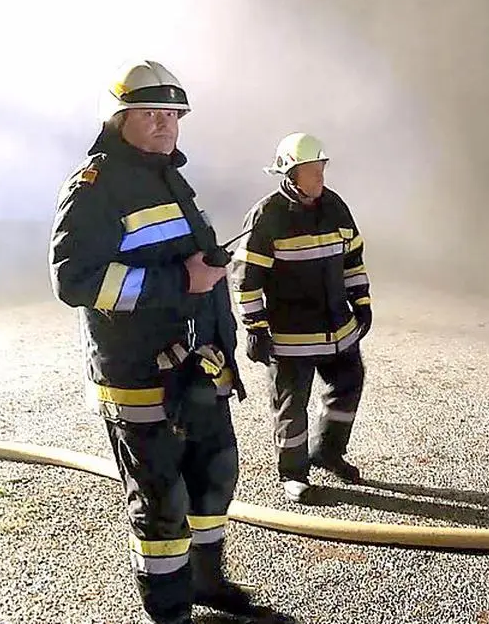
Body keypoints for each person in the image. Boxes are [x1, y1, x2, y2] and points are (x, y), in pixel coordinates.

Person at [49, 60, 282, 622]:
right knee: (162, 502)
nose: (165, 125)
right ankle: (171, 611)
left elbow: (183, 259)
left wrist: (204, 273)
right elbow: (74, 279)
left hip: (197, 368)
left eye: (173, 114)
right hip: (139, 378)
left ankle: (206, 581)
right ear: (117, 120)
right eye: (150, 114)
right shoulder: (96, 187)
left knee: (214, 476)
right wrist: (181, 279)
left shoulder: (169, 177)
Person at [229, 132, 372, 504]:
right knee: (292, 405)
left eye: (321, 168)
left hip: (339, 330)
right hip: (291, 337)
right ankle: (293, 474)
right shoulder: (267, 216)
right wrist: (255, 328)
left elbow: (352, 260)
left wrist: (363, 302)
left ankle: (328, 451)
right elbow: (245, 280)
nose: (319, 178)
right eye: (311, 171)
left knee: (348, 384)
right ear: (289, 175)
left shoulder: (335, 207)